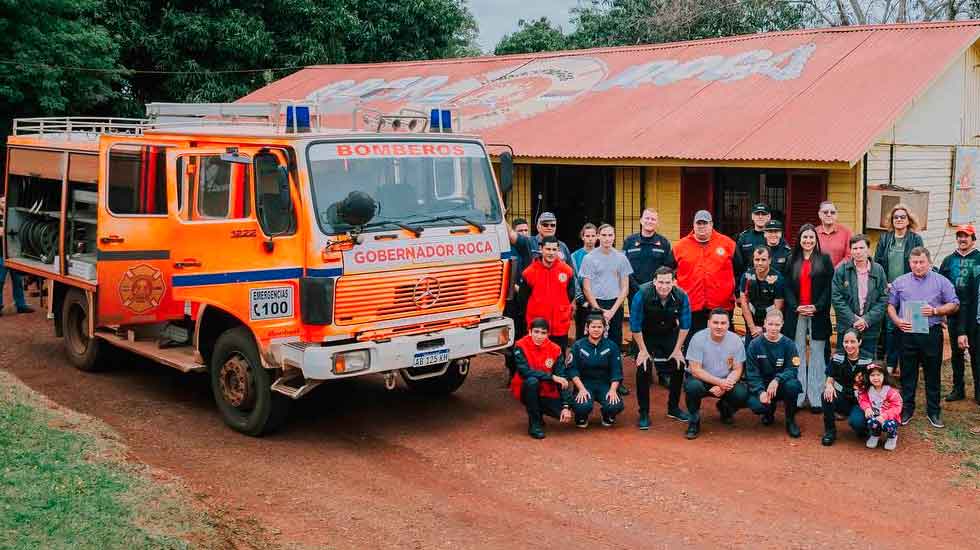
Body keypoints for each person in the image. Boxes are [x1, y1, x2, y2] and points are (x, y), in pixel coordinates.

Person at [887, 247, 959, 428]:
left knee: (932, 373)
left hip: (931, 334)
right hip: (907, 334)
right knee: (908, 374)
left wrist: (936, 310)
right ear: (909, 263)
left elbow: (954, 304)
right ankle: (906, 410)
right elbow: (890, 305)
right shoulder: (900, 282)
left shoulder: (941, 281)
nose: (918, 266)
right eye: (914, 262)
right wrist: (897, 321)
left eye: (921, 262)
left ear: (929, 263)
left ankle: (933, 411)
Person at [505, 212, 573, 379]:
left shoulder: (565, 257)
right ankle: (526, 381)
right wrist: (500, 213)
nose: (549, 227)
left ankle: (557, 383)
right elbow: (523, 298)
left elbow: (570, 289)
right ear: (541, 249)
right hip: (536, 317)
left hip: (558, 320)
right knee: (532, 353)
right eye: (545, 224)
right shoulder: (528, 247)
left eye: (553, 225)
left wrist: (565, 308)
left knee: (558, 354)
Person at [630, 267, 692, 428]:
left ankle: (673, 408)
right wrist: (643, 351)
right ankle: (643, 412)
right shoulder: (641, 294)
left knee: (679, 365)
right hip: (645, 334)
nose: (664, 286)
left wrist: (678, 349)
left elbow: (685, 326)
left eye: (668, 282)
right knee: (643, 368)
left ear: (673, 282)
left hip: (669, 333)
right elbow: (635, 326)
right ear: (654, 282)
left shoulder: (681, 296)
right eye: (661, 282)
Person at [783, 224, 834, 414]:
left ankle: (816, 397)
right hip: (796, 314)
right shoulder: (791, 260)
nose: (808, 241)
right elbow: (786, 287)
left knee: (818, 354)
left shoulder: (824, 260)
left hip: (817, 314)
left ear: (816, 240)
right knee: (797, 353)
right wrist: (796, 306)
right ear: (799, 239)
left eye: (811, 237)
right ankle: (797, 395)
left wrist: (817, 307)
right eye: (805, 237)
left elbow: (829, 288)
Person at [580, 224, 633, 395]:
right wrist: (599, 309)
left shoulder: (621, 258)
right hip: (597, 305)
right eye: (604, 235)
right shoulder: (589, 258)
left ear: (614, 237)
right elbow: (586, 286)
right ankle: (591, 381)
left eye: (611, 235)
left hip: (615, 305)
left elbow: (625, 287)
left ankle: (617, 381)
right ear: (598, 236)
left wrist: (613, 309)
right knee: (593, 341)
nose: (607, 238)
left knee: (615, 343)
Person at [673, 210, 736, 348]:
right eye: (698, 223)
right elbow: (669, 274)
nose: (702, 226)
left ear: (711, 224)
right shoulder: (679, 246)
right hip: (692, 306)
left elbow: (739, 271)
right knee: (694, 344)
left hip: (721, 306)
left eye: (705, 223)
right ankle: (692, 369)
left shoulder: (728, 244)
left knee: (723, 345)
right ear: (693, 225)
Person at [873, 204, 924, 375]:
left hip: (911, 288)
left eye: (903, 217)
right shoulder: (885, 239)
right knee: (891, 327)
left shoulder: (915, 239)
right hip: (890, 289)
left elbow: (920, 262)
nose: (899, 219)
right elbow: (877, 263)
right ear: (892, 221)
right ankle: (891, 362)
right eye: (896, 217)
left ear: (909, 220)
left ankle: (908, 364)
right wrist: (884, 282)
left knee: (910, 325)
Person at [683, 308, 749, 440]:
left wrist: (724, 385)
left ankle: (725, 408)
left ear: (728, 324)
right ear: (708, 323)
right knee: (692, 387)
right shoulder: (698, 338)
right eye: (715, 322)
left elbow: (737, 369)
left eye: (723, 323)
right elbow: (695, 370)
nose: (719, 326)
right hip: (701, 379)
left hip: (725, 380)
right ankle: (694, 421)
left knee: (742, 394)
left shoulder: (736, 340)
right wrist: (719, 383)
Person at [510, 318, 574, 439]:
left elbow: (562, 378)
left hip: (547, 392)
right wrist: (551, 377)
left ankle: (538, 411)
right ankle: (535, 424)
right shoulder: (520, 345)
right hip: (525, 389)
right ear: (530, 331)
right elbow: (525, 372)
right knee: (532, 381)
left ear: (548, 334)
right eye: (536, 332)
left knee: (566, 412)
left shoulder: (555, 349)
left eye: (543, 333)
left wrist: (566, 406)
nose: (539, 336)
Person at [745, 309, 803, 438]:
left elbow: (793, 369)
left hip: (781, 385)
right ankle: (768, 411)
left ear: (782, 324)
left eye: (777, 325)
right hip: (763, 386)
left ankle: (790, 420)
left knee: (793, 386)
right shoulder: (754, 344)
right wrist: (760, 391)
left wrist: (777, 379)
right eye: (770, 324)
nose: (773, 328)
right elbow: (751, 372)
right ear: (765, 323)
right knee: (757, 405)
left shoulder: (789, 344)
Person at [938, 224, 980, 403]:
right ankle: (958, 388)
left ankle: (979, 391)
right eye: (960, 236)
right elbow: (939, 287)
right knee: (956, 353)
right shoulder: (948, 260)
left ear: (973, 239)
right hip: (954, 312)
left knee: (977, 353)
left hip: (974, 313)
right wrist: (941, 313)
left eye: (966, 236)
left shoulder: (979, 259)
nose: (962, 239)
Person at [831, 234, 888, 357]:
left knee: (868, 364)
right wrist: (853, 319)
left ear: (868, 250)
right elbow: (836, 298)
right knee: (843, 363)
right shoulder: (842, 270)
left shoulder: (878, 270)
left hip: (870, 327)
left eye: (861, 248)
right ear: (850, 251)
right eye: (854, 248)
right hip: (847, 326)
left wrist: (866, 319)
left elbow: (883, 299)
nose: (858, 252)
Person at [518, 236, 576, 353]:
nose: (551, 253)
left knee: (559, 358)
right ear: (541, 249)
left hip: (560, 325)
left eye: (554, 250)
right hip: (538, 327)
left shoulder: (567, 271)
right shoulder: (529, 273)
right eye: (548, 249)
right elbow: (522, 299)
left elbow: (570, 295)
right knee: (535, 358)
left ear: (558, 250)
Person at [567, 314, 625, 428]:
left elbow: (616, 371)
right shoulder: (578, 346)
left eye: (599, 327)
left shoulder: (612, 346)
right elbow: (572, 370)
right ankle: (581, 416)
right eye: (593, 327)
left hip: (604, 384)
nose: (596, 330)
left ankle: (607, 415)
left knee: (614, 405)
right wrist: (581, 389)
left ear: (604, 328)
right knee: (581, 406)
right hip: (585, 383)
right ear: (587, 328)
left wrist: (613, 390)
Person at [820, 329, 873, 446]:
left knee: (857, 423)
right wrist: (829, 385)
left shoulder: (868, 359)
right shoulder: (837, 356)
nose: (849, 345)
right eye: (846, 342)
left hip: (861, 400)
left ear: (859, 342)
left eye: (853, 342)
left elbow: (876, 383)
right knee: (826, 395)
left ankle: (863, 427)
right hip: (843, 397)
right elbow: (830, 376)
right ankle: (830, 431)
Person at [623, 208, 675, 301]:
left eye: (653, 219)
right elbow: (624, 267)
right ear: (641, 220)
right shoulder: (629, 241)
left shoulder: (664, 243)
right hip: (634, 292)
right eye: (647, 218)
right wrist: (634, 287)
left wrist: (658, 286)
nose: (649, 221)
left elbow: (668, 268)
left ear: (657, 223)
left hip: (657, 292)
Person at [738, 246, 785, 346]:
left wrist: (765, 328)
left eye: (763, 260)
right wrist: (752, 328)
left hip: (770, 322)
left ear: (770, 260)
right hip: (751, 320)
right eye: (757, 259)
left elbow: (777, 309)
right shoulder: (746, 276)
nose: (759, 263)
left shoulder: (777, 278)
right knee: (750, 349)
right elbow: (744, 303)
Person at [857, 364, 903, 451]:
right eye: (872, 375)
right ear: (868, 377)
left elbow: (897, 406)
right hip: (876, 415)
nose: (875, 378)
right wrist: (867, 408)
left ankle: (892, 437)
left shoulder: (891, 391)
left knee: (889, 425)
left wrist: (885, 416)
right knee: (871, 421)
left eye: (878, 375)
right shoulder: (867, 389)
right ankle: (875, 434)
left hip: (889, 417)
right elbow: (863, 400)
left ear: (884, 375)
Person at [733, 203, 771, 286]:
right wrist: (738, 291)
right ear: (752, 217)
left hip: (771, 286)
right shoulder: (743, 238)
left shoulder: (774, 238)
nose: (760, 217)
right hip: (748, 285)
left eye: (764, 214)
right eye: (757, 214)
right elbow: (737, 267)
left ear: (769, 217)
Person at [571, 223, 598, 339]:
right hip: (582, 301)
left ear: (597, 237)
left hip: (598, 299)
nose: (590, 239)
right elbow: (575, 279)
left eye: (593, 236)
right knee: (581, 331)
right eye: (587, 236)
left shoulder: (602, 253)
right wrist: (581, 300)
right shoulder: (575, 256)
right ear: (582, 237)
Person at [815, 201, 852, 268]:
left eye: (832, 212)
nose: (829, 215)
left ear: (836, 215)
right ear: (819, 214)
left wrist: (836, 269)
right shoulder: (814, 233)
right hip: (818, 274)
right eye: (825, 212)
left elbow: (849, 255)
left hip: (840, 275)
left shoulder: (846, 232)